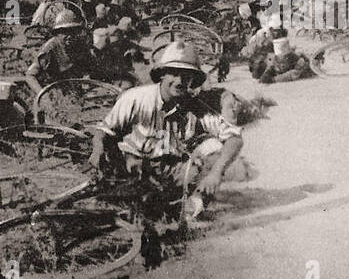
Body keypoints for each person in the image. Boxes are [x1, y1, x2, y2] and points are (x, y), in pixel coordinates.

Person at [89, 41, 243, 214]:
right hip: (133, 165)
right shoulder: (136, 99)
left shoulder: (194, 106)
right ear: (162, 74)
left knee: (218, 159)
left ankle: (188, 206)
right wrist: (98, 148)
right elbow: (104, 130)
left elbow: (234, 137)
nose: (179, 81)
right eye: (174, 73)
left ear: (193, 80)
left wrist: (216, 173)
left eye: (186, 76)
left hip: (171, 169)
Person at [25, 12, 98, 97]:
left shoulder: (81, 46)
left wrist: (87, 76)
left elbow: (90, 68)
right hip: (50, 89)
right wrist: (42, 94)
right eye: (65, 32)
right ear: (57, 33)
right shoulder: (50, 48)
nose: (70, 36)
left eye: (73, 31)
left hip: (73, 90)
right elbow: (30, 76)